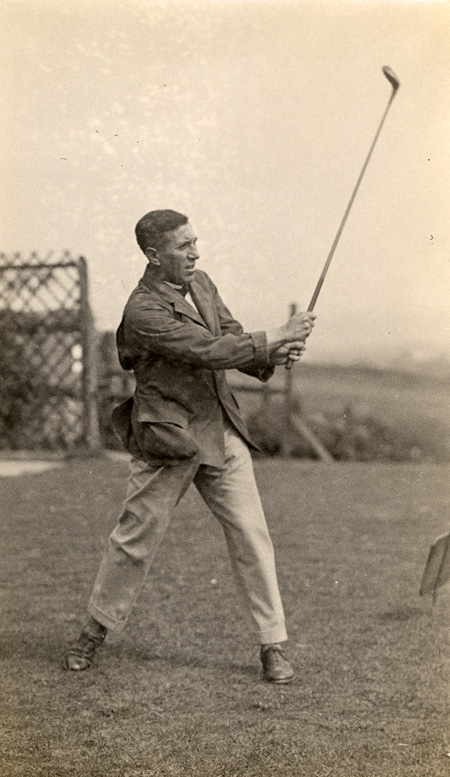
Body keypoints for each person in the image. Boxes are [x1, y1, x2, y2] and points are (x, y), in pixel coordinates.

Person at [65, 209, 316, 683]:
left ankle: (273, 644)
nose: (195, 253)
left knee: (252, 537)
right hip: (168, 438)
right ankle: (92, 633)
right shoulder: (141, 310)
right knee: (135, 541)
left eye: (195, 242)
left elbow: (232, 338)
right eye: (184, 247)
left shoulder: (202, 284)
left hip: (220, 429)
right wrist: (277, 335)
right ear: (153, 255)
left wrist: (273, 354)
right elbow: (205, 350)